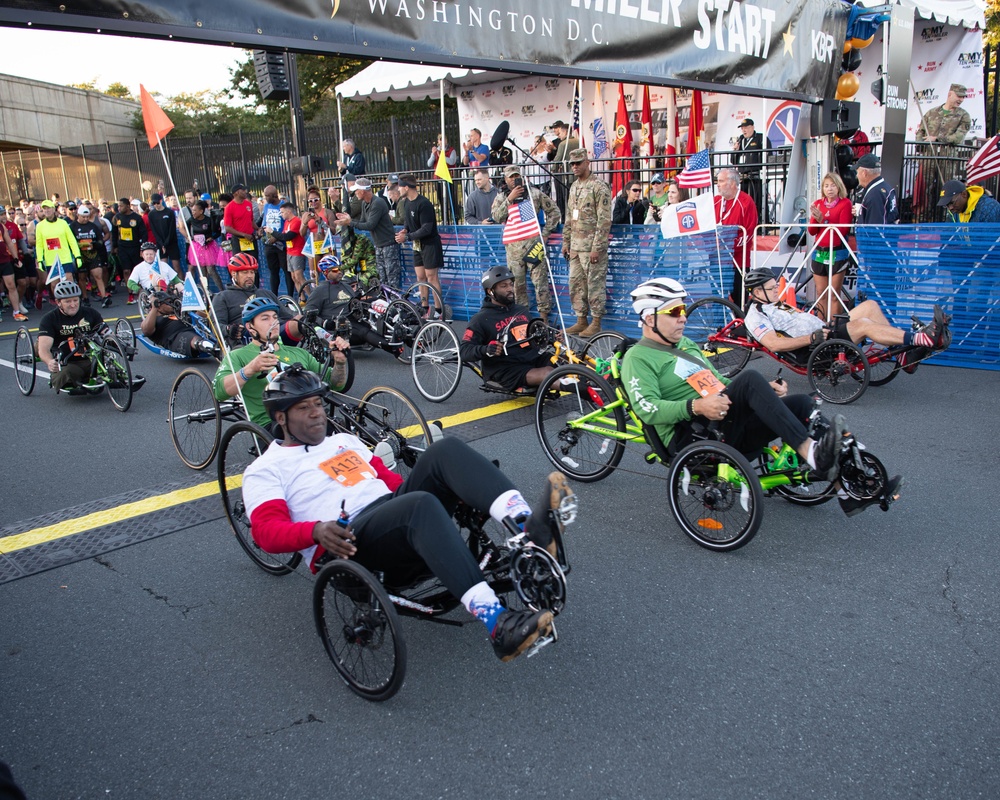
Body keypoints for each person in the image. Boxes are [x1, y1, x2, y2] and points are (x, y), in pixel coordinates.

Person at [242, 364, 571, 661]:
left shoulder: (344, 441)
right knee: (418, 505)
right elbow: (266, 533)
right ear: (281, 418)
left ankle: (531, 532)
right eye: (304, 408)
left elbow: (391, 482)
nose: (316, 414)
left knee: (444, 450)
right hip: (352, 543)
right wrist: (314, 531)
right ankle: (498, 624)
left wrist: (451, 489)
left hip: (394, 515)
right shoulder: (267, 468)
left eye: (318, 404)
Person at [621, 278, 903, 515]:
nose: (683, 316)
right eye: (674, 311)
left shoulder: (685, 344)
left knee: (800, 403)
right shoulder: (638, 358)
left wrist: (766, 389)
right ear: (649, 318)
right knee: (750, 380)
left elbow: (720, 382)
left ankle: (850, 488)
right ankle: (812, 454)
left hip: (724, 421)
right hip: (692, 435)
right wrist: (696, 405)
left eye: (683, 309)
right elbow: (647, 409)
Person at [742, 268, 951, 374]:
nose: (777, 290)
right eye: (772, 288)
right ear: (758, 292)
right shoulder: (756, 316)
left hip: (824, 329)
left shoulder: (772, 302)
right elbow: (775, 344)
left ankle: (904, 355)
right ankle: (920, 338)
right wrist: (810, 337)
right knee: (864, 325)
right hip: (816, 345)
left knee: (869, 306)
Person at [212, 296, 350, 427]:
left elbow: (336, 385)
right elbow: (220, 392)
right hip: (271, 425)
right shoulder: (238, 355)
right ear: (250, 327)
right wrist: (249, 370)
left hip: (311, 419)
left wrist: (340, 362)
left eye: (275, 317)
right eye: (265, 319)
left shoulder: (299, 353)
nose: (273, 323)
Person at [461, 266, 555, 393]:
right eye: (504, 286)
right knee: (550, 373)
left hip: (531, 359)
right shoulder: (480, 319)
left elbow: (531, 338)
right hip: (506, 369)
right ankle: (588, 393)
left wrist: (549, 337)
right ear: (490, 291)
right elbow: (464, 351)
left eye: (511, 284)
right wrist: (486, 349)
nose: (510, 289)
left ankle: (588, 384)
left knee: (567, 361)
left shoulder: (521, 310)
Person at [490, 165, 561, 320]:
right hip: (514, 249)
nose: (514, 179)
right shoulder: (502, 197)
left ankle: (544, 321)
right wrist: (510, 199)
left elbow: (554, 212)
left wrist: (546, 233)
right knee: (517, 286)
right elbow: (496, 216)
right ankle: (524, 320)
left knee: (540, 283)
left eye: (516, 176)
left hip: (534, 245)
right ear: (506, 179)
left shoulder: (534, 193)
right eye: (510, 177)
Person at [304, 254, 399, 356]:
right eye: (335, 270)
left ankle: (401, 325)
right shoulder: (320, 290)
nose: (340, 272)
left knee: (374, 308)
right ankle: (391, 348)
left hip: (353, 317)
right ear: (326, 272)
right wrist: (324, 323)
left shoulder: (345, 286)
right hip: (338, 326)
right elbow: (309, 313)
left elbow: (355, 301)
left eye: (340, 268)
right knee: (362, 330)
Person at [562, 148, 612, 337]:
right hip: (575, 247)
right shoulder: (574, 187)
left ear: (587, 162)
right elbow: (569, 217)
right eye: (572, 164)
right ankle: (581, 320)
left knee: (594, 285)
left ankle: (596, 322)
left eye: (578, 163)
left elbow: (604, 220)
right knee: (576, 285)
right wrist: (566, 241)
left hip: (591, 248)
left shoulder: (599, 187)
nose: (575, 167)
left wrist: (597, 248)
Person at [36, 280, 109, 392]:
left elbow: (106, 332)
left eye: (75, 300)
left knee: (113, 372)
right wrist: (49, 361)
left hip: (92, 359)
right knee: (66, 376)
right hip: (69, 362)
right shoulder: (49, 319)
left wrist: (119, 344)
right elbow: (44, 348)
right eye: (68, 301)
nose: (73, 305)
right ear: (58, 302)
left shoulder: (91, 313)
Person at [335, 177, 399, 290]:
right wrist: (349, 220)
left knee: (391, 278)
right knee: (382, 279)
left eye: (356, 191)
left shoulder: (377, 203)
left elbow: (370, 225)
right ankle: (386, 302)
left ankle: (396, 304)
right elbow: (362, 222)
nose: (355, 193)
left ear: (363, 191)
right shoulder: (365, 203)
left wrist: (350, 222)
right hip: (379, 245)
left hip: (388, 244)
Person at [807, 172, 855, 319]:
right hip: (819, 251)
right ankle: (820, 325)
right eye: (826, 186)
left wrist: (824, 221)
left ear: (839, 187)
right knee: (821, 292)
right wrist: (816, 219)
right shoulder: (818, 204)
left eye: (833, 185)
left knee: (834, 293)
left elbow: (842, 230)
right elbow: (812, 231)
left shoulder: (845, 203)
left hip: (837, 251)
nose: (830, 189)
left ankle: (834, 326)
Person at [396, 174, 444, 316]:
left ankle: (438, 309)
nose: (398, 191)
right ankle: (424, 307)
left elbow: (426, 229)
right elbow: (408, 221)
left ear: (406, 187)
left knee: (431, 276)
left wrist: (407, 237)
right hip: (417, 245)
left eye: (399, 187)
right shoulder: (406, 203)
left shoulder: (424, 204)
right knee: (420, 276)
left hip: (430, 243)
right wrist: (405, 229)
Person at [713, 167, 758, 306]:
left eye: (721, 181)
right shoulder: (715, 201)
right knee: (717, 299)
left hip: (738, 262)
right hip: (716, 261)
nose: (717, 185)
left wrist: (729, 248)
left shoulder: (746, 202)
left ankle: (740, 325)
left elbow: (749, 233)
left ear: (732, 183)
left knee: (740, 300)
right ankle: (720, 326)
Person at [140, 290, 220, 358]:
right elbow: (146, 330)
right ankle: (213, 349)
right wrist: (154, 308)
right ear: (159, 305)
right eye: (168, 302)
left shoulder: (176, 312)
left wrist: (202, 302)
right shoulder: (154, 319)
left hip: (195, 329)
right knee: (191, 337)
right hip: (175, 337)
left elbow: (201, 315)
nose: (171, 304)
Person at [34, 199, 83, 285]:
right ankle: (58, 299)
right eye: (44, 209)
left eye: (48, 208)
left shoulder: (63, 223)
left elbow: (71, 240)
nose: (46, 210)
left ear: (53, 209)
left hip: (65, 258)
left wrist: (77, 256)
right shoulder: (40, 226)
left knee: (68, 281)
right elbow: (39, 244)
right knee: (54, 285)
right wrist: (40, 259)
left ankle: (71, 298)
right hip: (51, 259)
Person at [733, 118, 771, 223]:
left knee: (758, 200)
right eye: (742, 128)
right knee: (744, 201)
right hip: (743, 176)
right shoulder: (740, 140)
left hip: (756, 175)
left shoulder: (760, 138)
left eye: (746, 128)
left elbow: (768, 155)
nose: (744, 130)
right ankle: (747, 223)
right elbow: (733, 160)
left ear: (752, 127)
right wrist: (735, 150)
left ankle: (762, 223)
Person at [111, 196, 148, 304]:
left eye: (121, 206)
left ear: (127, 206)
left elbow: (143, 233)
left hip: (135, 247)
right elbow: (114, 233)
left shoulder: (136, 218)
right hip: (123, 248)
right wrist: (115, 246)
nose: (119, 208)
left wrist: (142, 248)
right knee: (126, 271)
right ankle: (131, 294)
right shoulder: (116, 218)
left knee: (137, 271)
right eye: (118, 206)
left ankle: (140, 293)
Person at [186, 200, 228, 289]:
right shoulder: (191, 220)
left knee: (211, 270)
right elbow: (184, 226)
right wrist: (190, 237)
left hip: (208, 247)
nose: (193, 212)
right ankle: (206, 293)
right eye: (192, 210)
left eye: (195, 210)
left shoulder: (208, 220)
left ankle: (222, 290)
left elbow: (217, 232)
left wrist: (212, 238)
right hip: (197, 247)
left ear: (201, 211)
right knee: (202, 272)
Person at [853, 154, 899, 226]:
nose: (856, 175)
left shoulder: (875, 194)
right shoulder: (886, 187)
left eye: (857, 172)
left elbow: (875, 228)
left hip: (875, 236)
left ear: (864, 173)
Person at [260, 185, 289, 295]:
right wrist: (260, 231)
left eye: (267, 196)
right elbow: (264, 222)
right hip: (269, 244)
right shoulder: (267, 206)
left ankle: (290, 295)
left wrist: (276, 237)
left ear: (274, 195)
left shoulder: (283, 206)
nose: (266, 198)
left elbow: (287, 224)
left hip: (281, 243)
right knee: (273, 271)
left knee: (286, 270)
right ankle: (274, 295)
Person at [549, 120, 579, 220]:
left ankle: (565, 220)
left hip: (566, 177)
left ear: (565, 132)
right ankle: (575, 219)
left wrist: (553, 169)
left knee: (566, 200)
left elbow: (557, 160)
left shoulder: (563, 144)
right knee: (576, 201)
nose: (559, 135)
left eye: (560, 133)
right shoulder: (578, 141)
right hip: (577, 176)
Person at [147, 193, 182, 274]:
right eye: (154, 203)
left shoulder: (169, 212)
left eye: (157, 203)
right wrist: (161, 243)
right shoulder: (151, 214)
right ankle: (166, 285)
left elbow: (172, 229)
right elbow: (154, 231)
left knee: (176, 267)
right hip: (160, 243)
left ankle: (182, 285)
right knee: (163, 268)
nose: (156, 205)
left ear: (161, 201)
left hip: (171, 242)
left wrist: (166, 243)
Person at [428, 134, 460, 221]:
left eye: (444, 139)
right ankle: (444, 219)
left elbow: (451, 161)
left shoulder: (451, 150)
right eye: (440, 139)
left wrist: (441, 156)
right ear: (438, 141)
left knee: (452, 200)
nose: (442, 141)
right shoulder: (435, 152)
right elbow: (429, 164)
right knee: (441, 200)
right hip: (438, 179)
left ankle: (455, 218)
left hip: (449, 178)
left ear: (446, 140)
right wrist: (434, 154)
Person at [223, 184, 258, 259]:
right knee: (240, 263)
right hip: (238, 240)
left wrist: (258, 229)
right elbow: (227, 228)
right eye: (243, 190)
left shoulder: (248, 204)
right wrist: (244, 235)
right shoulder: (229, 207)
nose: (246, 192)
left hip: (250, 238)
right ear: (237, 193)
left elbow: (251, 221)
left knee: (253, 262)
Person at [337, 224, 378, 289]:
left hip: (371, 266)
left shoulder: (360, 240)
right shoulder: (351, 242)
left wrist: (339, 268)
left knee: (361, 282)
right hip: (363, 266)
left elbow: (354, 260)